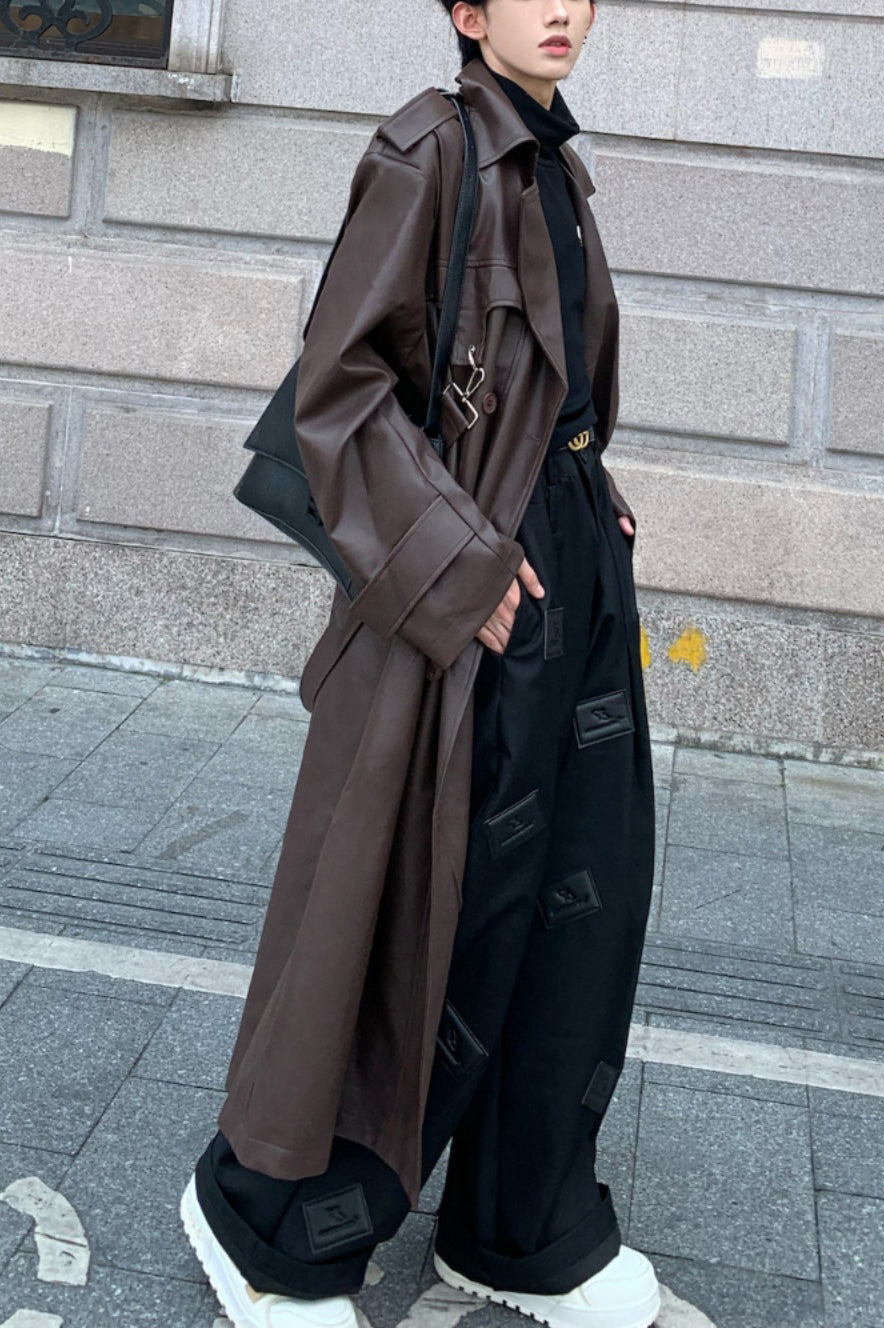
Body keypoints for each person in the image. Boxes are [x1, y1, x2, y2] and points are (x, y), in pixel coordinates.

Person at [179, 3, 660, 1327]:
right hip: (469, 583)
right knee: (423, 910)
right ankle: (266, 1222)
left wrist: (591, 492)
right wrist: (460, 563)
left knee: (580, 898)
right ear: (466, 12)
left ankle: (519, 1226)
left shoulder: (556, 165)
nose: (562, 8)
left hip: (568, 571)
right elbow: (337, 392)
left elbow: (541, 388)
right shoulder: (426, 154)